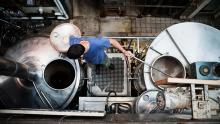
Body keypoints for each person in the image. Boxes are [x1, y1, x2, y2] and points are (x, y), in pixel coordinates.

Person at [50, 23, 132, 71]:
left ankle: (109, 65)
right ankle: (97, 68)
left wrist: (124, 51)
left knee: (106, 63)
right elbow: (65, 37)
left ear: (81, 55)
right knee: (93, 65)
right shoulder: (73, 41)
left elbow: (112, 41)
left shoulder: (96, 43)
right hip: (90, 60)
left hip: (101, 58)